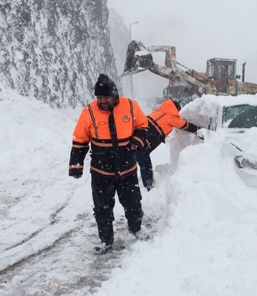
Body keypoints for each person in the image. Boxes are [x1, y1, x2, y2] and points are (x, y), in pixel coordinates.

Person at [69, 74, 149, 254]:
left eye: (106, 97)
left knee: (133, 203)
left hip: (127, 168)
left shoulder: (130, 106)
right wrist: (76, 165)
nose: (102, 101)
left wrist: (137, 140)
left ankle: (136, 228)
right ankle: (106, 240)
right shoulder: (88, 112)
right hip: (101, 172)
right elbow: (80, 140)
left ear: (115, 95)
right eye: (99, 97)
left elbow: (143, 126)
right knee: (102, 208)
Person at [136, 98, 201, 190]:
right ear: (175, 108)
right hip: (147, 137)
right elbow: (185, 125)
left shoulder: (159, 111)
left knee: (138, 158)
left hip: (140, 133)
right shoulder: (170, 116)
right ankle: (148, 186)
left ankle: (144, 183)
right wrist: (199, 129)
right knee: (144, 162)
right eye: (178, 110)